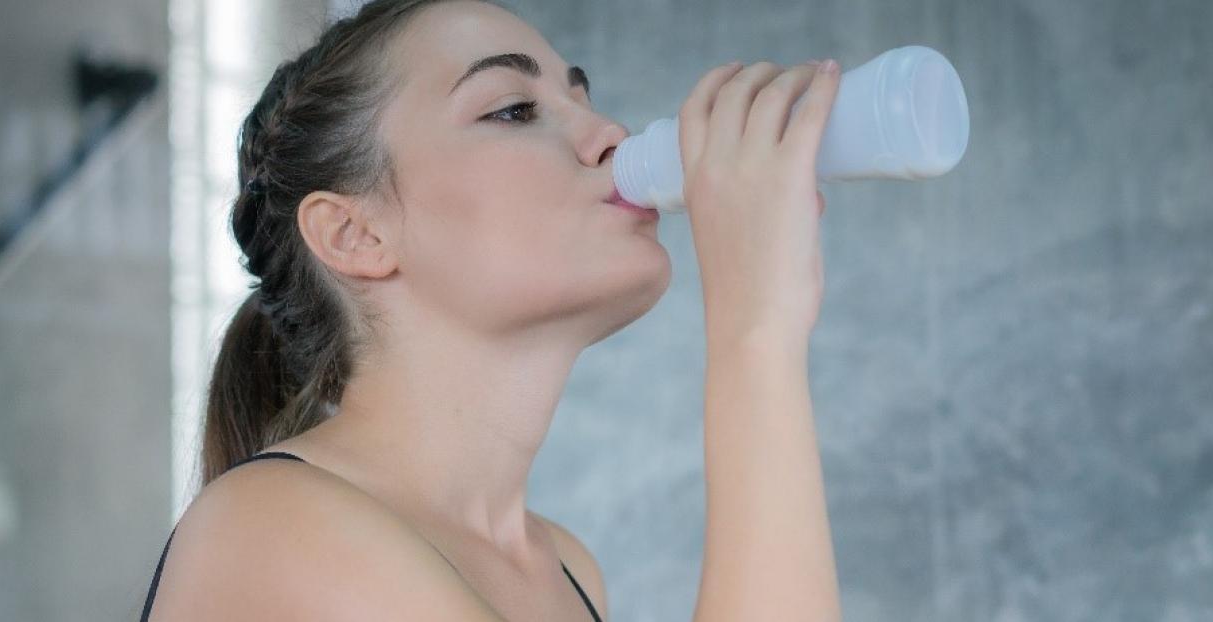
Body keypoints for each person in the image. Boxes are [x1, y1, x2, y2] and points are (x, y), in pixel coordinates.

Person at [141, 0, 843, 619]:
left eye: (583, 99)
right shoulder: (271, 529)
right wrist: (758, 328)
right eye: (513, 109)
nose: (611, 135)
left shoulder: (566, 571)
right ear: (356, 234)